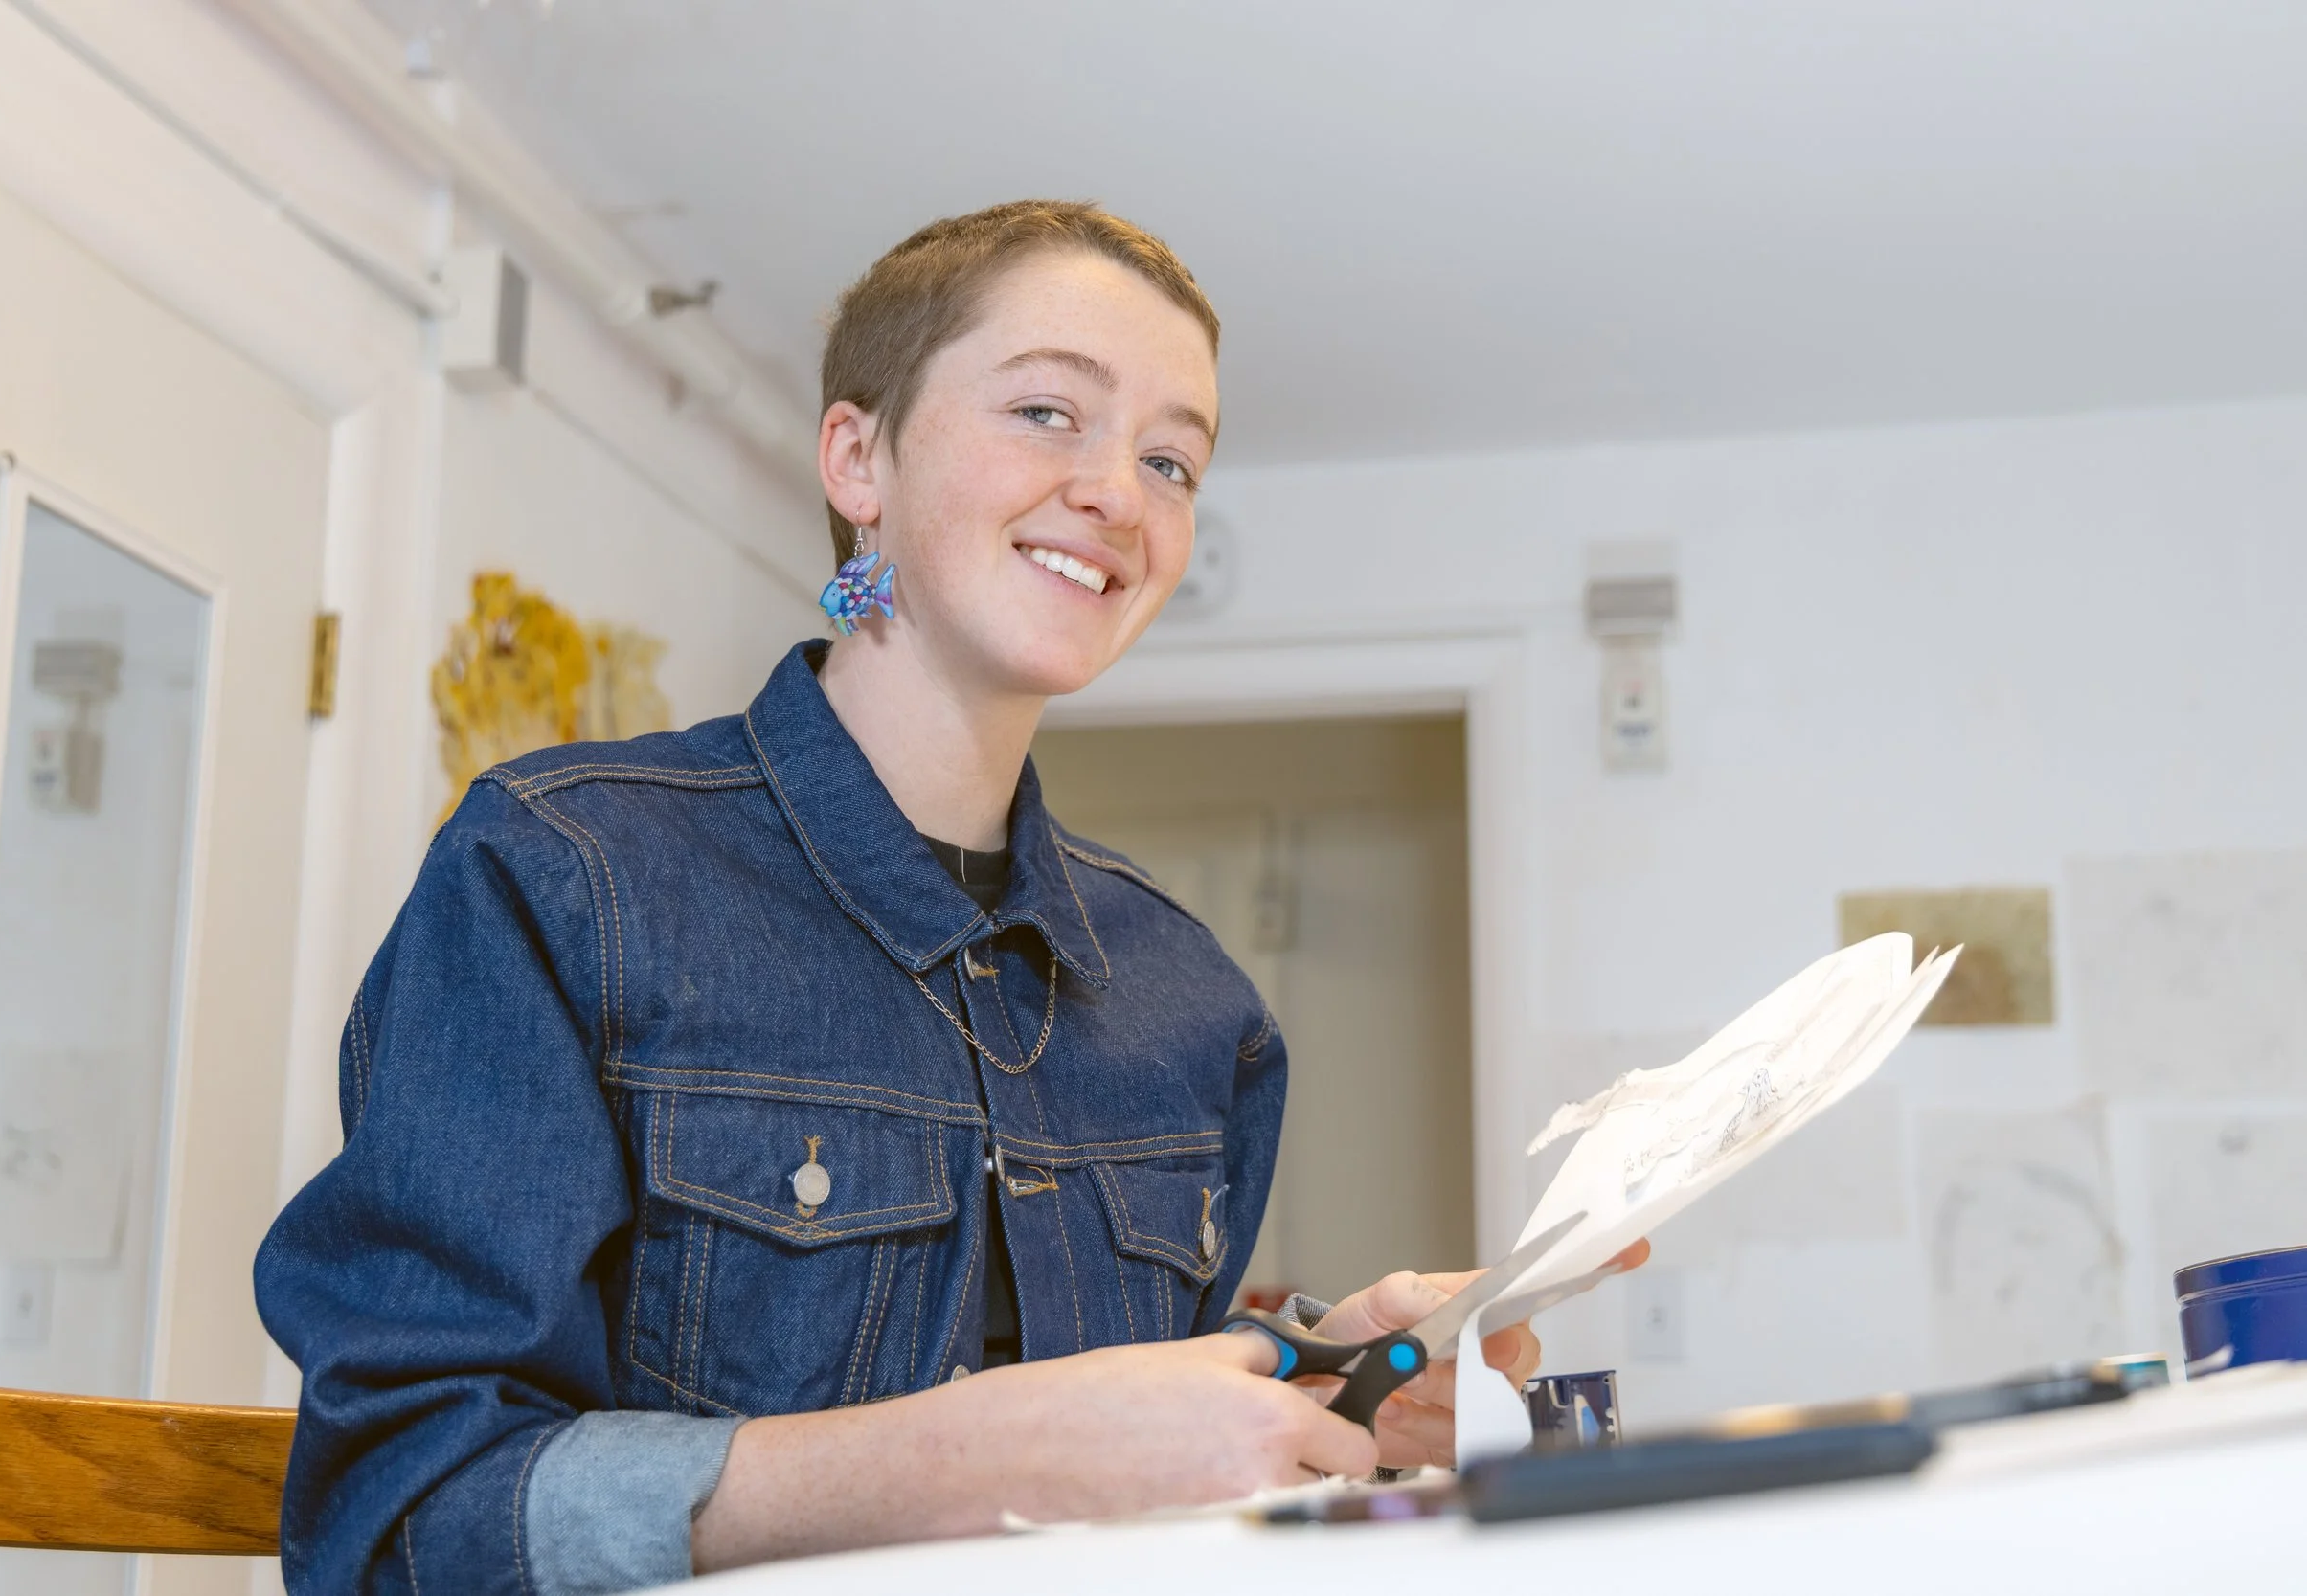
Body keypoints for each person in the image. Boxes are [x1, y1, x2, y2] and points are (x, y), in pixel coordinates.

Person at [256, 200, 1646, 1596]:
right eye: (1049, 411)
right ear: (859, 458)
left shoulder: (1189, 994)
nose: (1120, 491)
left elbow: (1140, 1463)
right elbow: (401, 1516)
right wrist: (978, 1459)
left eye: (1173, 458)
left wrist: (1329, 1374)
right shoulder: (563, 870)